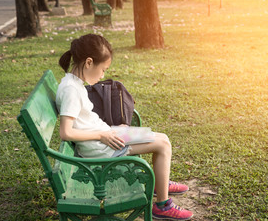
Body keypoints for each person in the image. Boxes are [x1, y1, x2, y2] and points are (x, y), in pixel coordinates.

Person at [56, 34, 193, 220]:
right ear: (89, 62)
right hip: (102, 149)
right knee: (163, 145)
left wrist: (111, 130)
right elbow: (66, 132)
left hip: (107, 137)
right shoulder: (71, 90)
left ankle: (161, 184)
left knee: (163, 138)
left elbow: (85, 121)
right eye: (103, 69)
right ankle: (162, 205)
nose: (103, 75)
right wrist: (101, 136)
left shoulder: (73, 83)